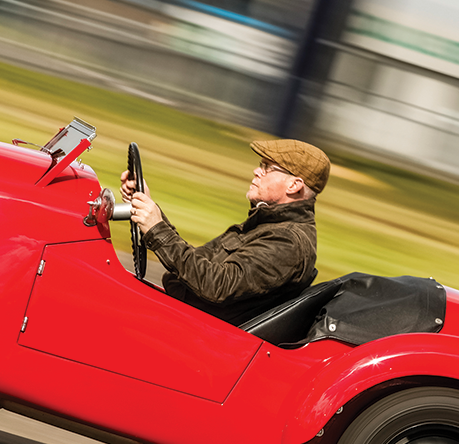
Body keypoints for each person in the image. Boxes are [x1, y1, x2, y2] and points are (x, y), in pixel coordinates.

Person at [121, 139, 328, 325]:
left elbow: (217, 285)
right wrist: (149, 211)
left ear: (294, 185)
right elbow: (196, 265)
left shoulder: (287, 243)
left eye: (267, 168)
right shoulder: (269, 225)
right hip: (179, 314)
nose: (257, 171)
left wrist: (157, 229)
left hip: (196, 335)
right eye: (260, 165)